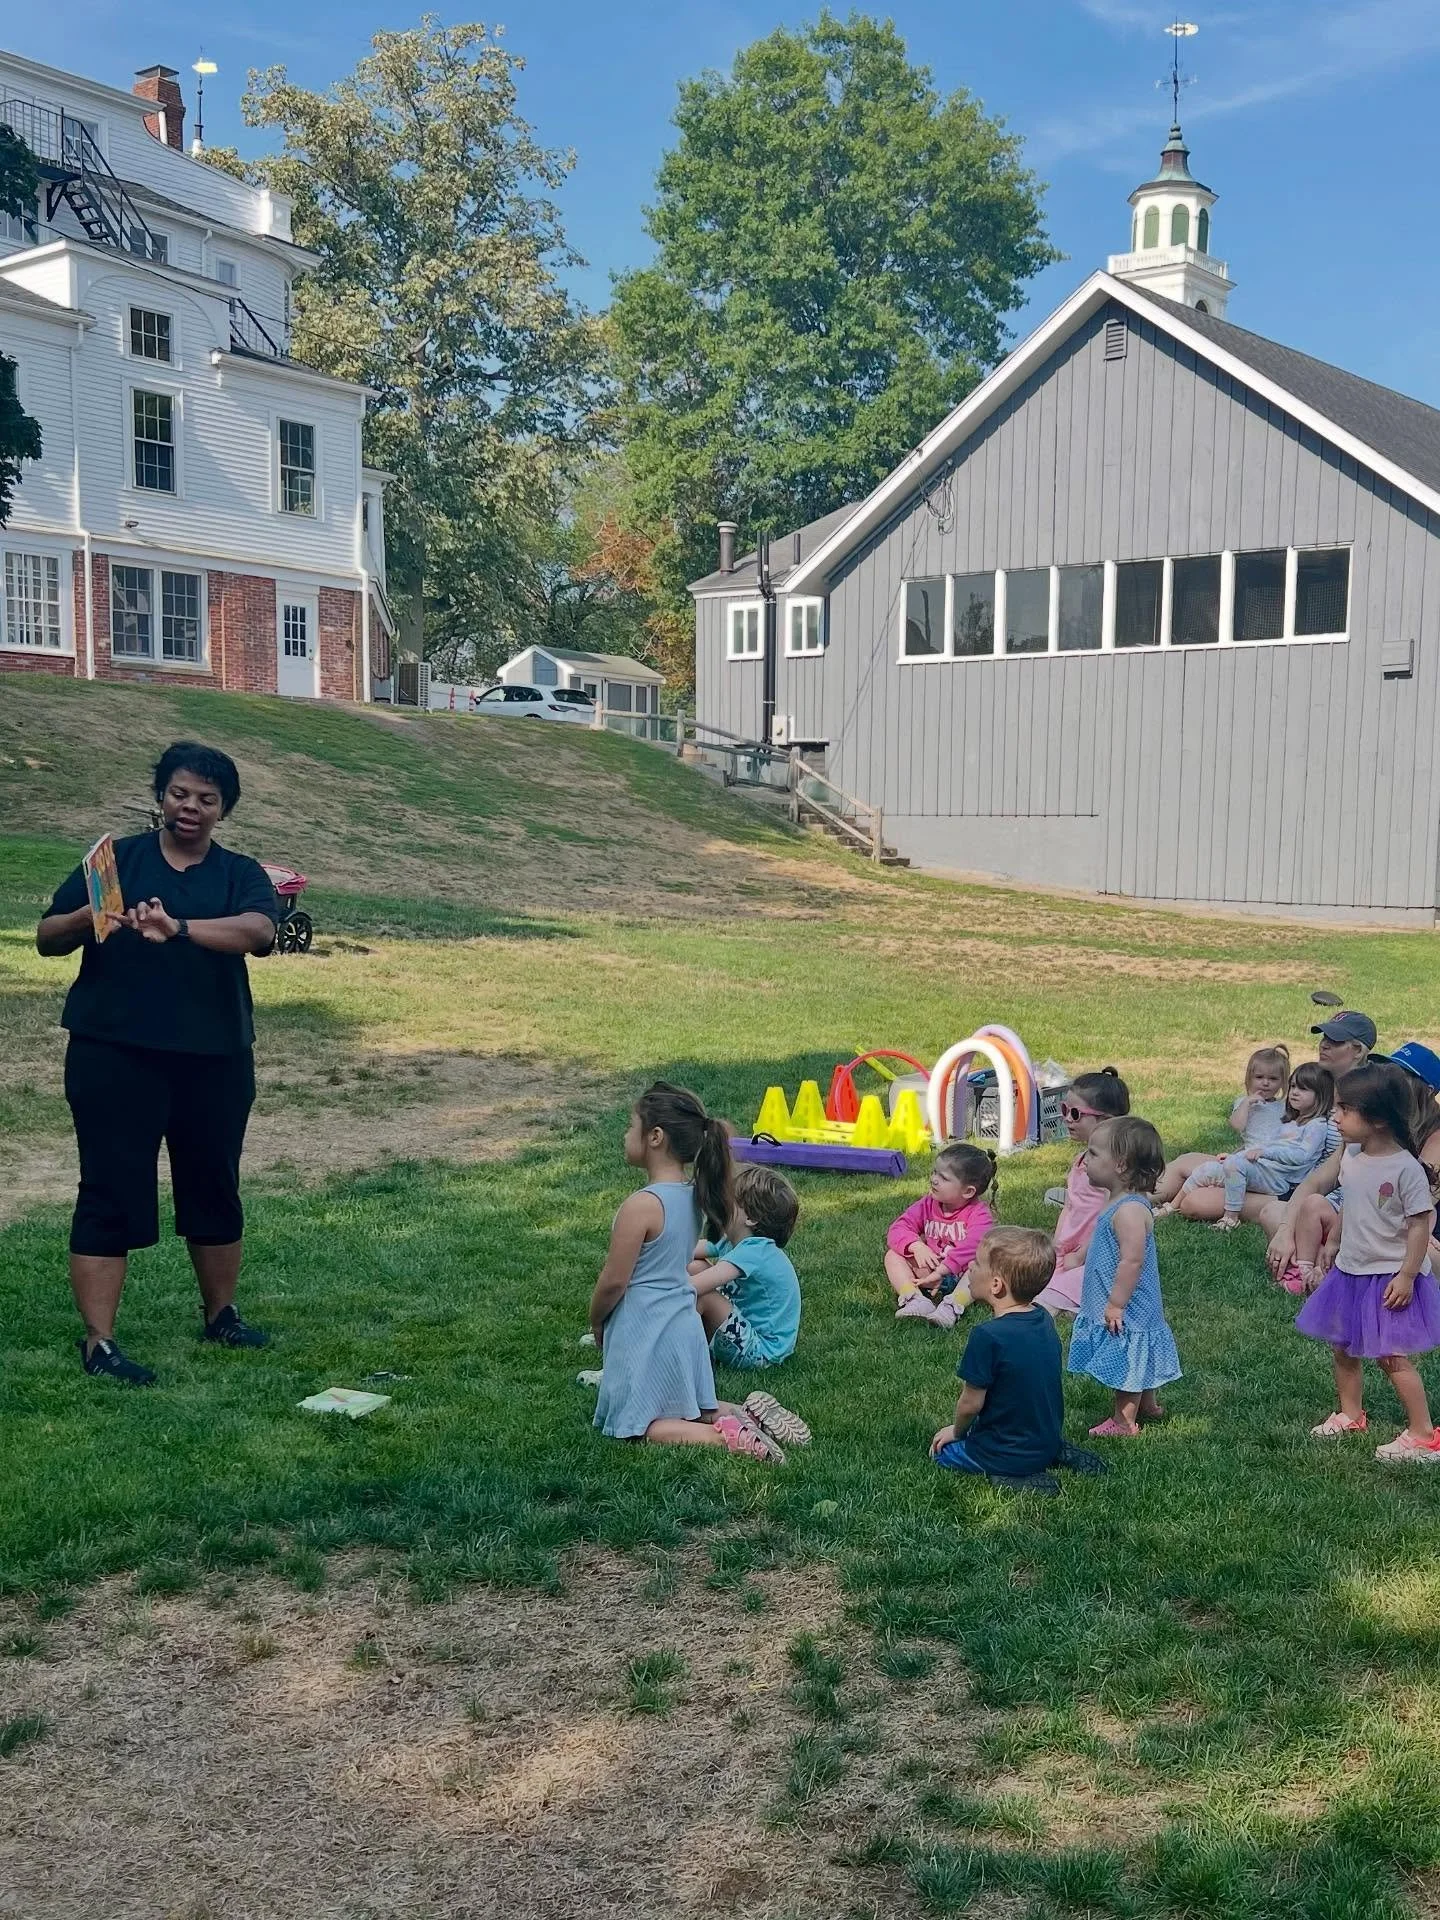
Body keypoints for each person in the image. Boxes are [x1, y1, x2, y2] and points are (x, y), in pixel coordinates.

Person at [35, 743, 279, 1386]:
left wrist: (180, 928)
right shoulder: (115, 861)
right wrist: (91, 915)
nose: (190, 807)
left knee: (214, 1184)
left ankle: (222, 1315)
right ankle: (100, 1342)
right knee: (109, 1188)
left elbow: (259, 931)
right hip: (113, 1054)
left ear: (223, 809)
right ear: (161, 796)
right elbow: (46, 937)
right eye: (180, 793)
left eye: (206, 799)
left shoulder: (239, 872)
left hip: (214, 1058)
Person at [589, 1083, 802, 1458]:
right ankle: (746, 1413)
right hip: (684, 1327)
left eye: (631, 1125)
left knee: (640, 1425)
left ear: (655, 1137)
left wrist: (597, 1320)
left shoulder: (641, 1205)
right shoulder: (693, 1198)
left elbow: (614, 1281)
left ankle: (730, 1438)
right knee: (691, 1407)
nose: (625, 1134)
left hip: (649, 1324)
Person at [1295, 1063, 1440, 1463]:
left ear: (1377, 1119)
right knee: (1343, 1346)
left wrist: (1407, 1275)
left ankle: (1423, 1434)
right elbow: (1351, 1202)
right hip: (1351, 1271)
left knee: (1391, 1356)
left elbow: (1419, 1225)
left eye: (1344, 1109)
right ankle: (1350, 1414)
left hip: (1389, 1276)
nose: (1335, 1116)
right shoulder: (1354, 1157)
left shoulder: (1406, 1169)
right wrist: (1334, 1241)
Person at [929, 1227, 1107, 1496]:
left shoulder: (987, 1336)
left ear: (996, 1285)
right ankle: (1054, 1452)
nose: (970, 1267)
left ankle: (1012, 1476)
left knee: (942, 1453)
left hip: (1005, 1452)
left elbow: (970, 1404)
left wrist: (957, 1431)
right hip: (1046, 1438)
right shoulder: (1043, 1318)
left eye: (977, 1263)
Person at [1067, 1117, 1181, 1438]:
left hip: (1129, 1303)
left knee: (1127, 1355)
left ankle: (1123, 1421)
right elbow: (1104, 1238)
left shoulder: (1129, 1211)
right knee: (1136, 1349)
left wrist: (1116, 1304)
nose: (1084, 1159)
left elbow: (1132, 1261)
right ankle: (1148, 1404)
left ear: (1120, 1165)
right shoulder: (1117, 1201)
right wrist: (1080, 1255)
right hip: (1124, 1300)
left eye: (1093, 1153)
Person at [1167, 1063, 1334, 1231]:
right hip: (1267, 1171)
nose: (1295, 1092)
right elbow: (1266, 1144)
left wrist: (1265, 1153)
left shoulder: (1317, 1126)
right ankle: (1171, 1207)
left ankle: (1231, 1217)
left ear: (1321, 1096)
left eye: (1303, 1089)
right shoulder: (1291, 1121)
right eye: (1293, 1086)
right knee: (1208, 1168)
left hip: (1282, 1181)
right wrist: (1237, 1155)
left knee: (1234, 1167)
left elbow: (1301, 1156)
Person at [1035, 1067, 1130, 1316]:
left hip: (1098, 1254)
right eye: (1064, 1110)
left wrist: (1082, 1255)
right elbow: (1069, 1206)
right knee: (1032, 1278)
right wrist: (1057, 1244)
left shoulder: (1111, 1170)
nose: (1067, 1118)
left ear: (1106, 1121)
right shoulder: (1080, 1160)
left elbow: (1108, 1218)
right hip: (1070, 1250)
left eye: (1075, 1113)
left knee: (1052, 1296)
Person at [687, 1164, 802, 1370]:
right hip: (741, 1330)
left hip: (761, 1351)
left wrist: (650, 1289)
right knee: (696, 1266)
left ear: (750, 1218)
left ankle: (676, 1351)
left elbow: (693, 1286)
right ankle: (689, 1345)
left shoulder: (755, 1251)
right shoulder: (732, 1240)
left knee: (703, 1295)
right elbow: (685, 1252)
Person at [1151, 1046, 1289, 1208]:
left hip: (1268, 1169)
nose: (1265, 1083)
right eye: (1259, 1077)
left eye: (1273, 1079)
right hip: (1246, 1162)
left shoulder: (1284, 1107)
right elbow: (1237, 1125)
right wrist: (1246, 1104)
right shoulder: (1244, 1103)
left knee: (1206, 1175)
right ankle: (1148, 1197)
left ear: (1282, 1082)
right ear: (1249, 1078)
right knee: (1195, 1166)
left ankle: (1170, 1204)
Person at [885, 1142, 998, 1326]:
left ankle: (952, 1306)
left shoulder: (979, 1214)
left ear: (968, 1191)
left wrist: (943, 1270)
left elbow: (973, 1246)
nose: (934, 1179)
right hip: (929, 1272)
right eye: (934, 1172)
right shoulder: (927, 1204)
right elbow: (898, 1228)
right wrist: (916, 1245)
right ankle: (914, 1298)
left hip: (963, 1275)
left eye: (943, 1177)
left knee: (982, 1264)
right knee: (892, 1255)